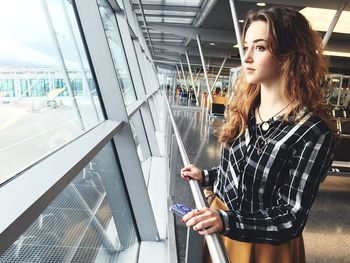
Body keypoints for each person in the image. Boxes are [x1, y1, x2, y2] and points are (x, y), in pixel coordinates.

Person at [180, 6, 335, 263]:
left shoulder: (312, 132)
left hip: (264, 247)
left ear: (289, 55)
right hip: (222, 228)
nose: (246, 57)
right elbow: (244, 173)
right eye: (246, 46)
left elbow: (290, 217)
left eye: (260, 47)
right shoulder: (245, 109)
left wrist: (226, 221)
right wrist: (206, 175)